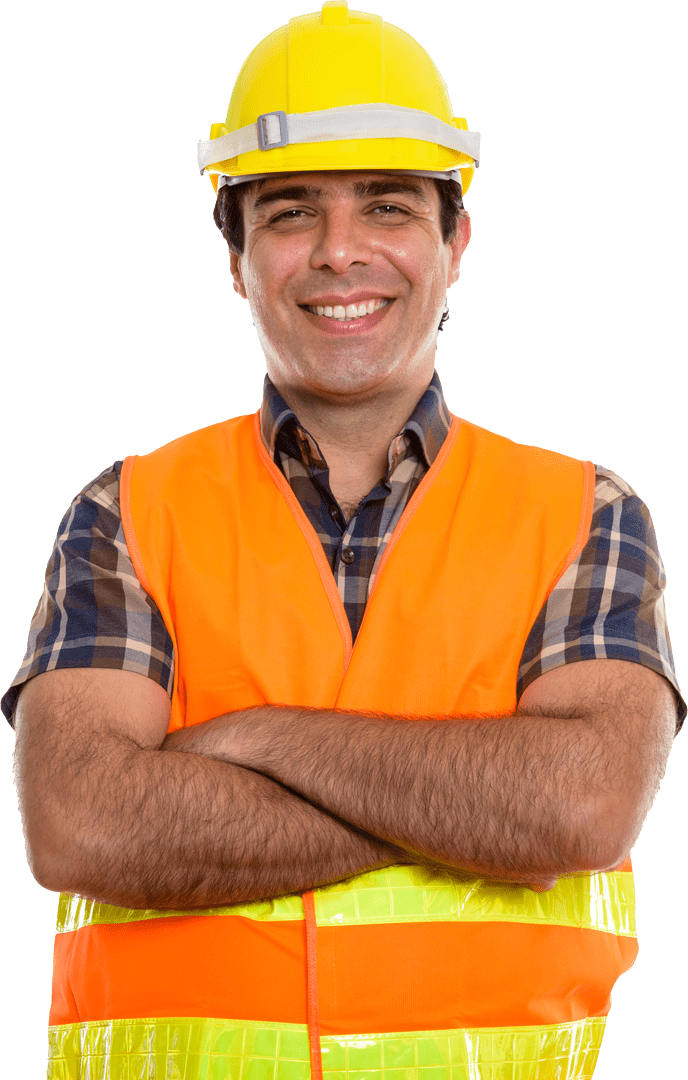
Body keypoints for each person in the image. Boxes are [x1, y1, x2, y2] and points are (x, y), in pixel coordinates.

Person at [5, 3, 685, 1077]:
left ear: (453, 242)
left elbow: (579, 807)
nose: (340, 252)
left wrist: (255, 740)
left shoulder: (585, 513)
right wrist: (472, 814)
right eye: (288, 212)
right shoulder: (125, 511)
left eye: (386, 205)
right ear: (234, 252)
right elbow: (81, 825)